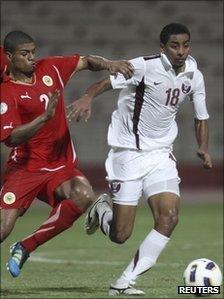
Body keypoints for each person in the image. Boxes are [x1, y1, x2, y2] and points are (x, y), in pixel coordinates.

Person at [67, 23, 212, 296]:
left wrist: (203, 147)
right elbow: (105, 82)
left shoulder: (195, 75)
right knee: (120, 235)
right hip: (128, 155)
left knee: (169, 217)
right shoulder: (144, 66)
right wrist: (87, 97)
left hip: (160, 155)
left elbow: (201, 116)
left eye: (185, 45)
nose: (180, 51)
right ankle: (102, 210)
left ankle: (124, 282)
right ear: (162, 48)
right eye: (174, 46)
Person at [0, 30, 134, 278]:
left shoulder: (50, 68)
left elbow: (86, 61)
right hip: (25, 169)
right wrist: (44, 118)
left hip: (60, 166)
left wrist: (110, 64)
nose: (31, 58)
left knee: (83, 194)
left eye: (33, 52)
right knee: (3, 228)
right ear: (9, 57)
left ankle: (25, 247)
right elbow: (11, 138)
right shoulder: (7, 92)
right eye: (24, 53)